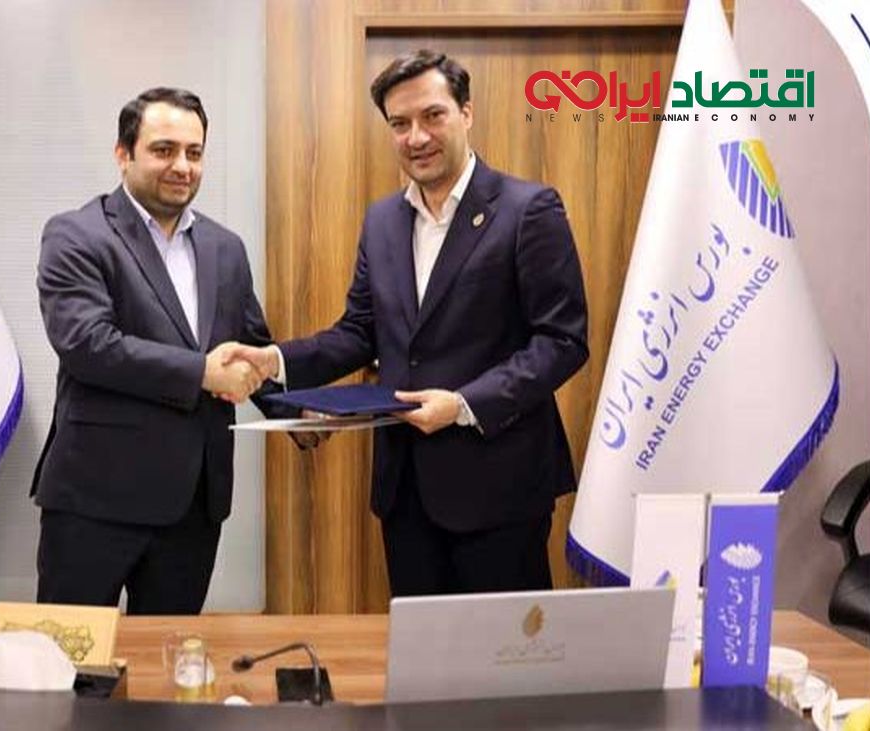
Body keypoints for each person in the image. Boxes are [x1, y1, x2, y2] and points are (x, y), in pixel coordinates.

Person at [230, 50, 589, 597]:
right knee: (421, 646)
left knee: (500, 647)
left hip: (500, 486)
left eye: (432, 116)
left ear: (466, 112)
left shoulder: (528, 209)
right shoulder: (382, 220)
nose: (416, 137)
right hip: (406, 491)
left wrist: (464, 404)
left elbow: (562, 341)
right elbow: (360, 330)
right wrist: (275, 361)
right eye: (400, 124)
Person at [32, 87, 292, 614]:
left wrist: (301, 410)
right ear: (123, 154)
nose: (182, 166)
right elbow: (87, 344)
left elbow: (250, 349)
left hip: (192, 506)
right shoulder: (76, 235)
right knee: (73, 655)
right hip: (94, 501)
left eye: (194, 153)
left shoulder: (225, 247)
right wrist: (202, 374)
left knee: (172, 654)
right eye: (164, 150)